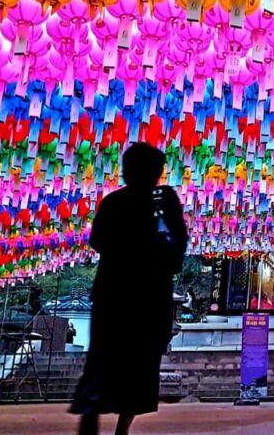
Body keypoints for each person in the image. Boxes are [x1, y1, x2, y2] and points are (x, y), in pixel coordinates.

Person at [70, 143, 188, 435]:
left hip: (117, 291)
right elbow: (179, 243)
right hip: (145, 293)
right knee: (136, 363)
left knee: (111, 361)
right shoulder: (160, 200)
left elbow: (98, 240)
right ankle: (115, 424)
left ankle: (94, 415)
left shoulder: (116, 202)